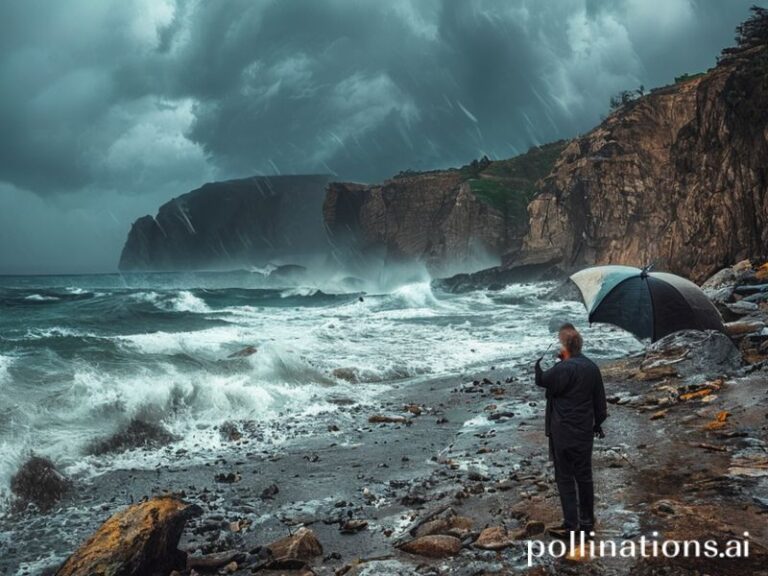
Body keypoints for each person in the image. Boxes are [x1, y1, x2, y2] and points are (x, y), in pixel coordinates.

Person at [534, 324, 607, 538]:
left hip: (562, 432)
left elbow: (542, 380)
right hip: (584, 432)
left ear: (565, 347)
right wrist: (596, 425)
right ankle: (587, 523)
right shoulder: (592, 367)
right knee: (584, 476)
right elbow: (600, 405)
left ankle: (571, 525)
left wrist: (539, 365)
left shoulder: (562, 369)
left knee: (564, 477)